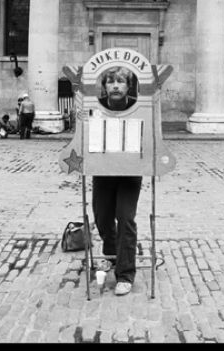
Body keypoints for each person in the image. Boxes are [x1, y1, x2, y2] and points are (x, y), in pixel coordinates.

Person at [92, 67, 140, 296]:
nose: (116, 86)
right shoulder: (96, 106)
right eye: (111, 81)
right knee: (102, 217)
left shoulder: (138, 106)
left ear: (128, 86)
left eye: (121, 81)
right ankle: (112, 254)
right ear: (105, 86)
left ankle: (125, 273)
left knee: (125, 218)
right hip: (103, 170)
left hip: (130, 171)